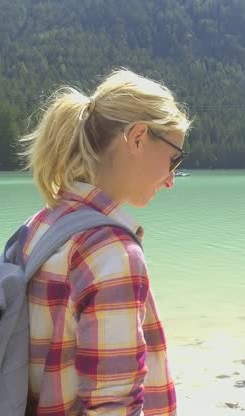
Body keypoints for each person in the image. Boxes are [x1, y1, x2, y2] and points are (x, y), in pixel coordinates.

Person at [18, 68, 191, 415]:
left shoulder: (41, 225)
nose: (171, 179)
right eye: (174, 158)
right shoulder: (111, 253)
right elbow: (113, 407)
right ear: (138, 137)